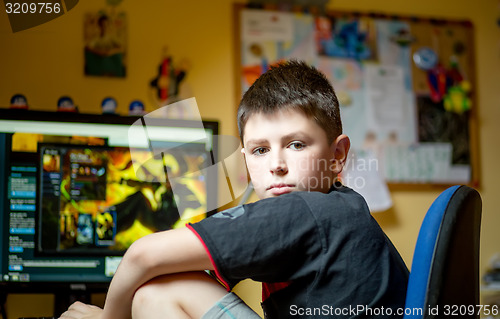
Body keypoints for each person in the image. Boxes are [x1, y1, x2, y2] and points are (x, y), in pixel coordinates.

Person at [59, 60, 409, 319]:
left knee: (158, 290)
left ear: (337, 156)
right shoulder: (341, 209)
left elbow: (142, 254)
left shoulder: (306, 210)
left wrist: (105, 317)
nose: (276, 164)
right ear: (245, 160)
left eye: (297, 145)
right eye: (260, 150)